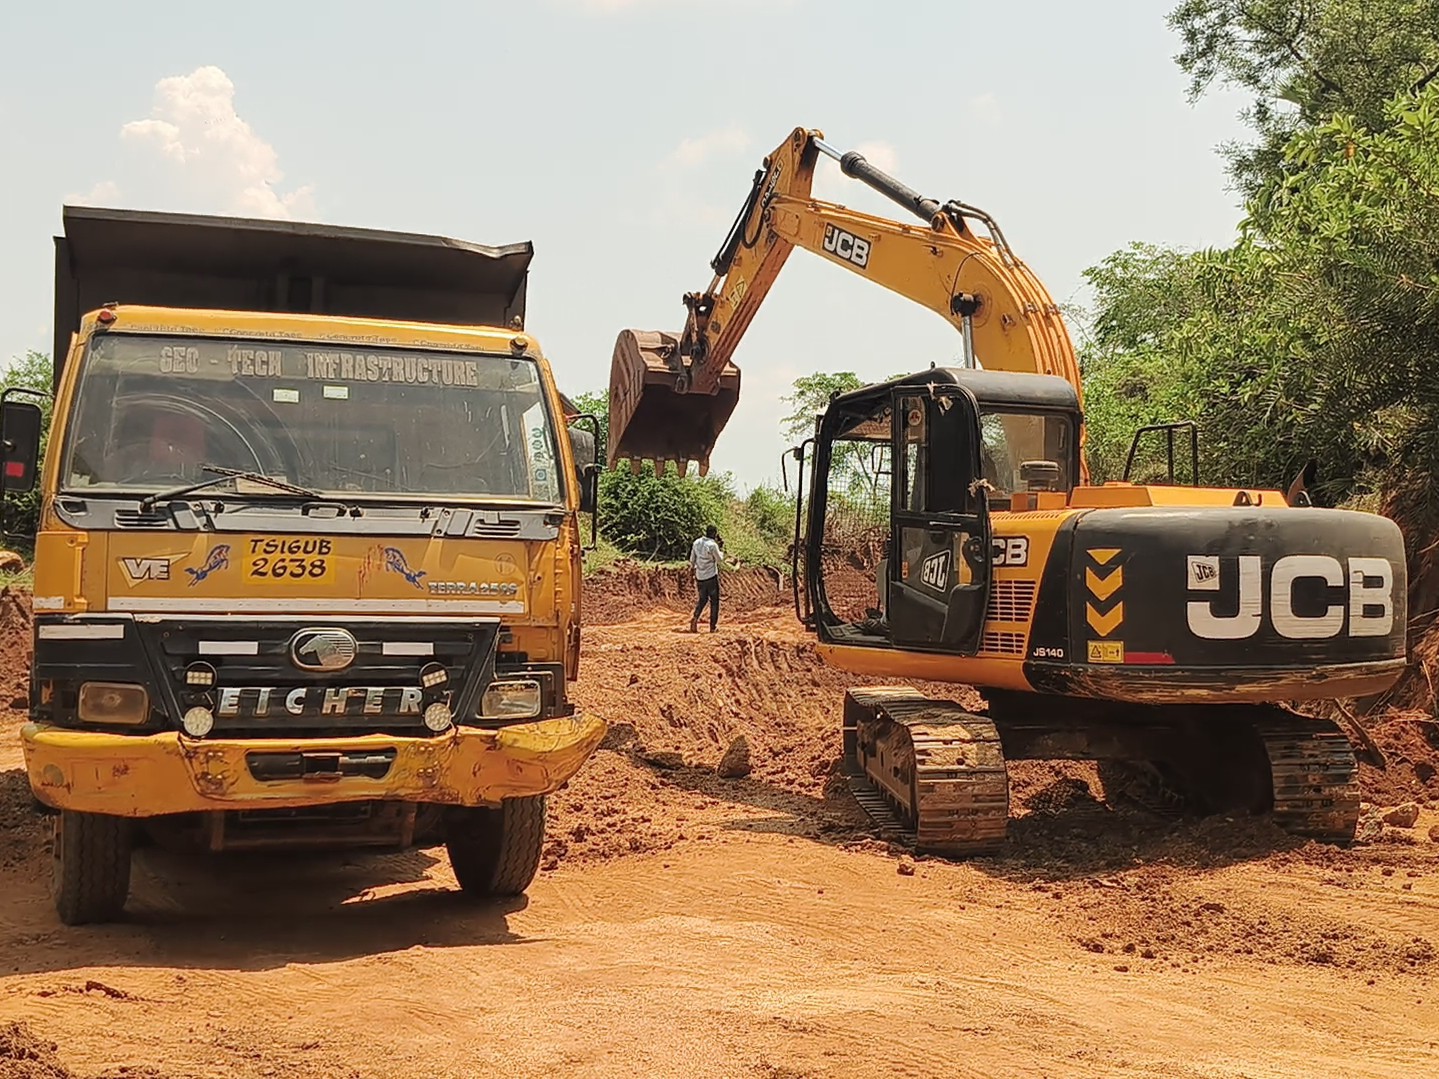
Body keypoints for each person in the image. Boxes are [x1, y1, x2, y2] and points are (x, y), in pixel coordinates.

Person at [688, 524, 725, 633]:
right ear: (714, 533)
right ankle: (712, 627)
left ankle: (695, 617)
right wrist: (721, 547)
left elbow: (692, 560)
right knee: (714, 602)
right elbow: (719, 560)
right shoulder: (712, 545)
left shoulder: (697, 542)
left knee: (702, 599)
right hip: (711, 577)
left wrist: (693, 572)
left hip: (700, 577)